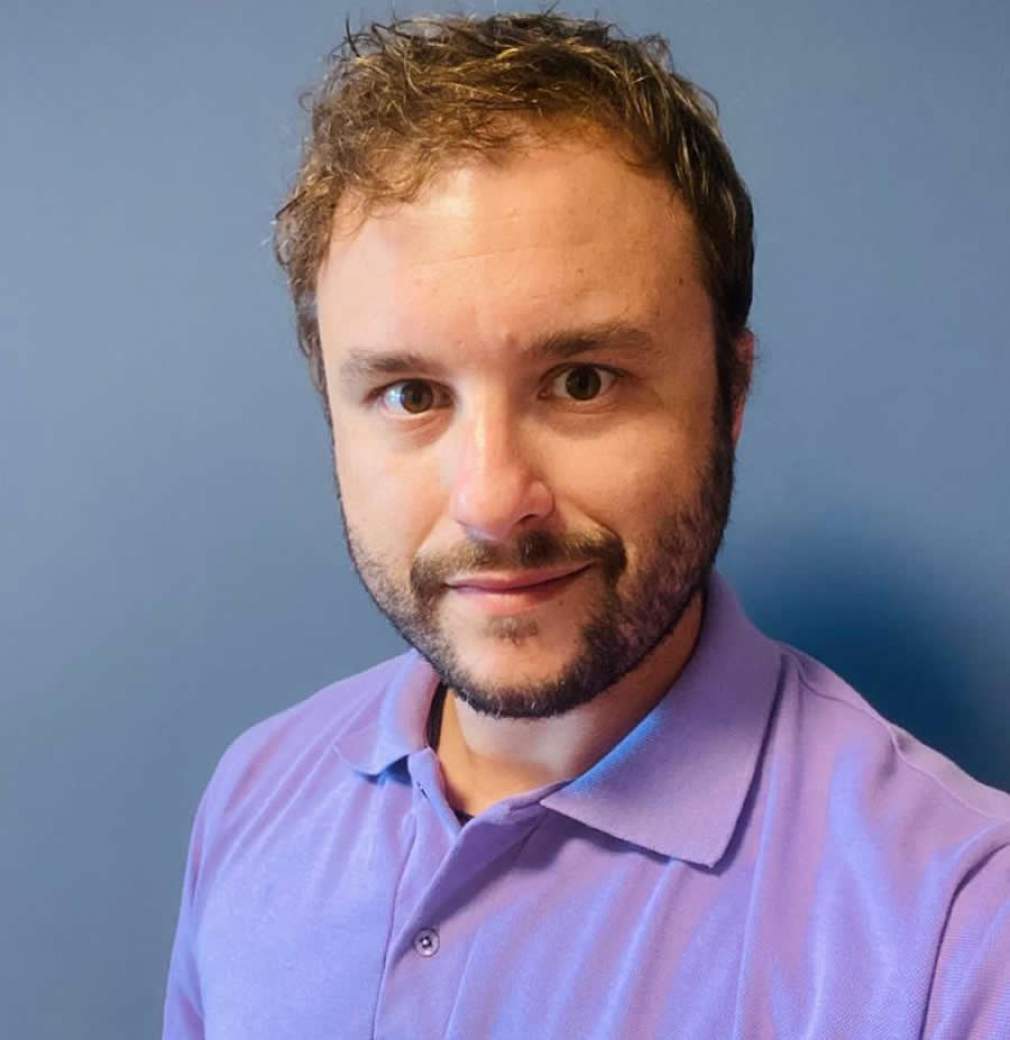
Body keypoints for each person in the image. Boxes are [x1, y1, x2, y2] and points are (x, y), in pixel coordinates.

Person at [163, 12, 1010, 1039]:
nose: (491, 501)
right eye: (410, 395)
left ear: (729, 393)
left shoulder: (962, 931)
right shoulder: (255, 793)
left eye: (581, 381)